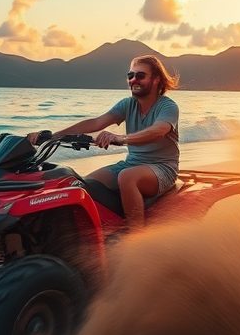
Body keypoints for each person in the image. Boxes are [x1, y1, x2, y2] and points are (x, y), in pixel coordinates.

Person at [27, 55, 180, 228]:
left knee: (126, 178)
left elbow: (158, 131)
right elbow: (96, 122)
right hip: (131, 164)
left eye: (140, 75)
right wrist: (52, 136)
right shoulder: (128, 104)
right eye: (130, 75)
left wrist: (121, 138)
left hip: (162, 168)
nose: (133, 80)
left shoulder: (168, 106)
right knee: (81, 184)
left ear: (156, 79)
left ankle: (136, 235)